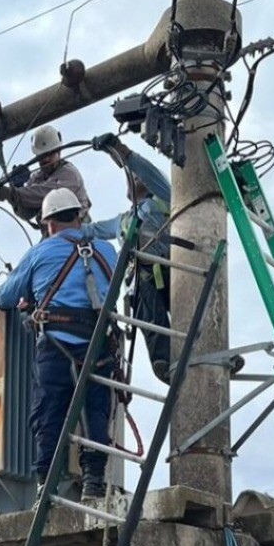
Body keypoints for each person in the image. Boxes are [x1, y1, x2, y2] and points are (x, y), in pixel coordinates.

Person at [0, 187, 118, 500]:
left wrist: (32, 297)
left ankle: (45, 483)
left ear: (48, 224)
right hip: (99, 346)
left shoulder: (41, 252)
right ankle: (93, 481)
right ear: (80, 216)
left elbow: (4, 298)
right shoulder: (107, 251)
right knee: (96, 411)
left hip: (56, 344)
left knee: (49, 414)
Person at [80, 133, 175, 383]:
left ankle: (203, 351)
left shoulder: (164, 198)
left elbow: (149, 172)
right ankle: (163, 361)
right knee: (145, 305)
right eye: (131, 178)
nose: (134, 179)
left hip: (171, 272)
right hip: (145, 281)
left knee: (190, 318)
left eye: (136, 177)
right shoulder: (123, 220)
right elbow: (91, 231)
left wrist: (122, 152)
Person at [0, 125, 92, 227]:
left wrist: (8, 192)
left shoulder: (69, 175)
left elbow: (43, 195)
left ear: (59, 151)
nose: (46, 159)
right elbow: (26, 213)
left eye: (49, 154)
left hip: (78, 230)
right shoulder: (37, 177)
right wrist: (17, 186)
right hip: (53, 234)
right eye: (41, 156)